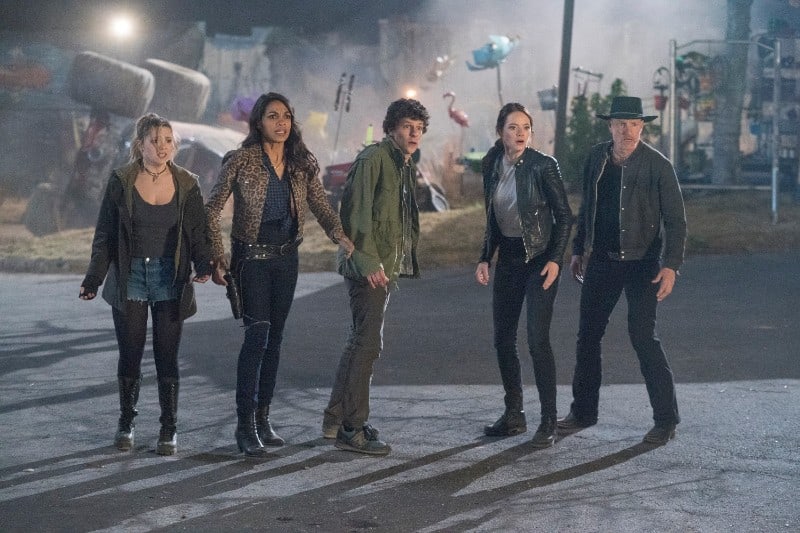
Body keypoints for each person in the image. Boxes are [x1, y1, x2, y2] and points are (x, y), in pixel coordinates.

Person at [205, 92, 354, 457]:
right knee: (257, 336)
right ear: (258, 122)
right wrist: (217, 257)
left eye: (286, 116)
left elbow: (319, 202)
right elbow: (211, 210)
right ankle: (244, 426)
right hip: (251, 259)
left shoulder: (300, 162)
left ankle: (263, 418)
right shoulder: (241, 159)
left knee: (275, 340)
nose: (281, 122)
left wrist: (340, 234)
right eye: (273, 116)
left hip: (287, 259)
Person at [79, 112, 212, 456]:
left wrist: (204, 264)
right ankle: (127, 423)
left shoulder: (187, 183)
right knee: (131, 354)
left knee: (167, 356)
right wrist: (94, 278)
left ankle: (169, 428)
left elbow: (198, 231)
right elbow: (105, 235)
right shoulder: (121, 180)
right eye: (154, 140)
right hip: (131, 275)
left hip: (170, 276)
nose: (162, 146)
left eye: (168, 140)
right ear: (140, 145)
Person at [557, 96, 687, 445]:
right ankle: (583, 412)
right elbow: (587, 206)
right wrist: (578, 248)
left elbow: (676, 221)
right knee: (588, 336)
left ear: (642, 127)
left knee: (643, 336)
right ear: (610, 126)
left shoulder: (658, 165)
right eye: (620, 124)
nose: (627, 130)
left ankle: (666, 420)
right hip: (602, 259)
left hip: (644, 263)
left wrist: (671, 266)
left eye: (633, 124)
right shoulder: (597, 158)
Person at [322, 98, 430, 456]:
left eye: (419, 128)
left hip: (381, 266)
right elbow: (355, 214)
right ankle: (353, 428)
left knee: (358, 341)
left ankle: (335, 419)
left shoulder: (402, 163)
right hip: (368, 267)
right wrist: (368, 262)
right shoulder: (374, 159)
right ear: (392, 128)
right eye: (407, 126)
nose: (413, 134)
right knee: (368, 345)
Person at [475, 103, 572, 448]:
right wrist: (485, 257)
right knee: (503, 338)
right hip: (509, 258)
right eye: (513, 127)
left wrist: (556, 260)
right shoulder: (491, 163)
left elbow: (565, 216)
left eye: (526, 128)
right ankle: (514, 414)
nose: (520, 133)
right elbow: (492, 216)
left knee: (536, 338)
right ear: (500, 131)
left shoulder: (544, 165)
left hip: (540, 259)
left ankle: (549, 420)